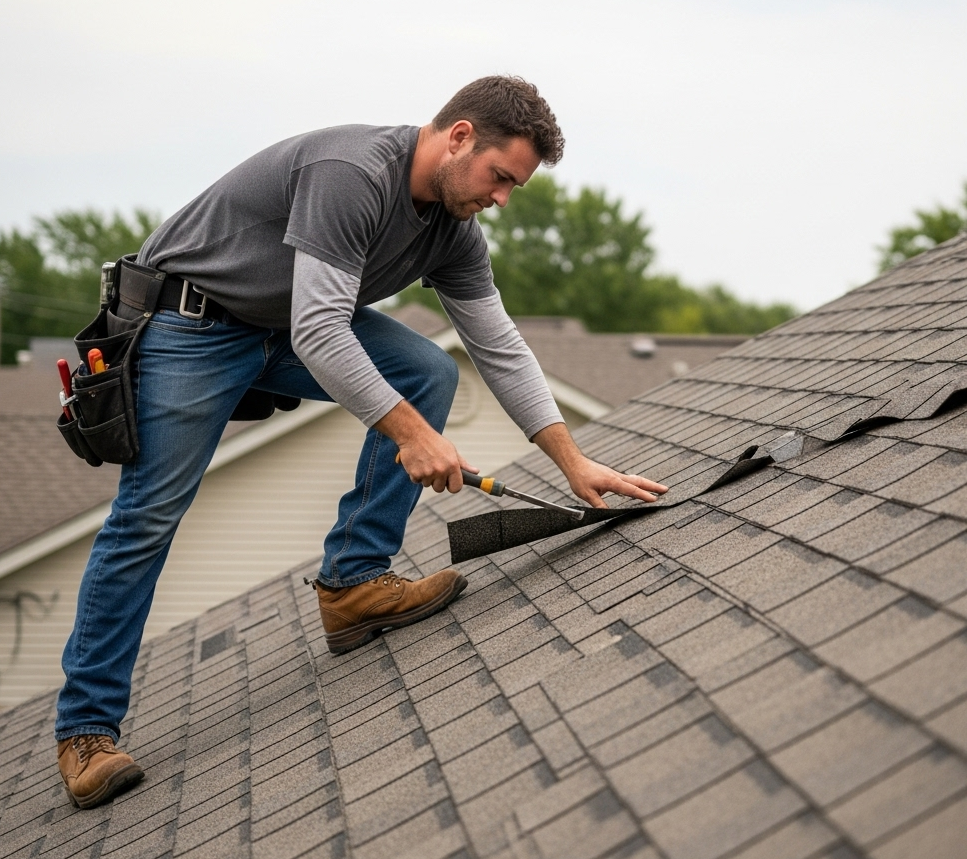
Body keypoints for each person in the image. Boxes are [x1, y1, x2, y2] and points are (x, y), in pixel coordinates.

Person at [54, 75, 668, 809]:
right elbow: (320, 329)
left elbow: (497, 344)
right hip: (189, 325)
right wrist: (409, 434)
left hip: (277, 324)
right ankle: (85, 730)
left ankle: (353, 584)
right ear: (459, 136)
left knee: (425, 368)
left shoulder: (452, 229)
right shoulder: (350, 175)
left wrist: (574, 462)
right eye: (500, 177)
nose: (501, 199)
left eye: (515, 188)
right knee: (149, 513)